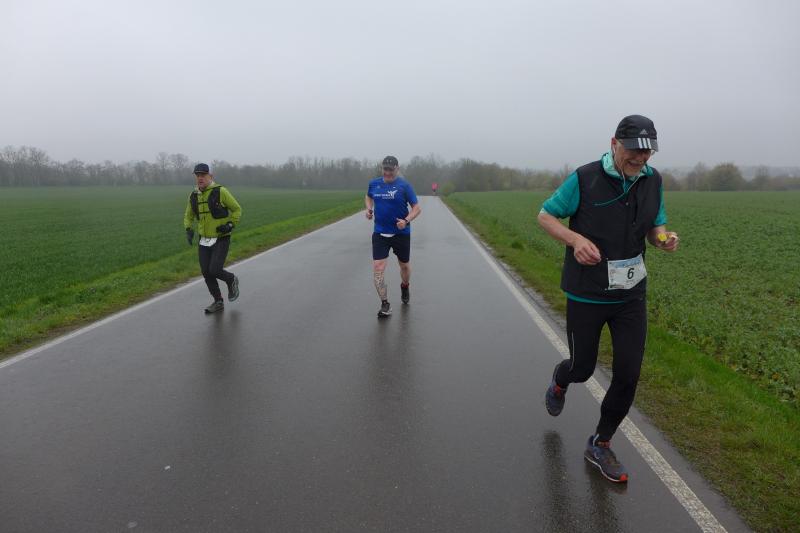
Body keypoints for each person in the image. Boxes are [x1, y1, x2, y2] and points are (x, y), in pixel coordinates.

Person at [537, 115, 679, 483]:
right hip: (587, 293)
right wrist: (575, 240)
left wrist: (663, 239)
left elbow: (655, 225)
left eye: (647, 152)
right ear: (614, 143)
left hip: (631, 295)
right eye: (634, 150)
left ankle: (601, 443)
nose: (640, 158)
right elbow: (546, 216)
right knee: (582, 368)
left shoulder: (653, 180)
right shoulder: (585, 178)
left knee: (628, 375)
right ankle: (560, 380)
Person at [365, 156, 421, 317]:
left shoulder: (404, 186)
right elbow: (368, 196)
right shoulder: (374, 184)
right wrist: (369, 209)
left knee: (404, 266)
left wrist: (406, 220)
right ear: (381, 168)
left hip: (401, 234)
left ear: (397, 169)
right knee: (378, 268)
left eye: (390, 169)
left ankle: (405, 286)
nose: (387, 172)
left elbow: (417, 208)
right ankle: (385, 304)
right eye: (385, 169)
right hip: (380, 233)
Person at [184, 163, 242, 314]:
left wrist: (230, 225)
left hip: (221, 238)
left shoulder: (221, 191)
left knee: (215, 269)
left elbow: (237, 209)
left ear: (210, 176)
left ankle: (231, 279)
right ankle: (218, 301)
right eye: (197, 175)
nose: (200, 178)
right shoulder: (193, 195)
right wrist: (188, 229)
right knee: (206, 272)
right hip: (203, 240)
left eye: (203, 175)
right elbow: (188, 215)